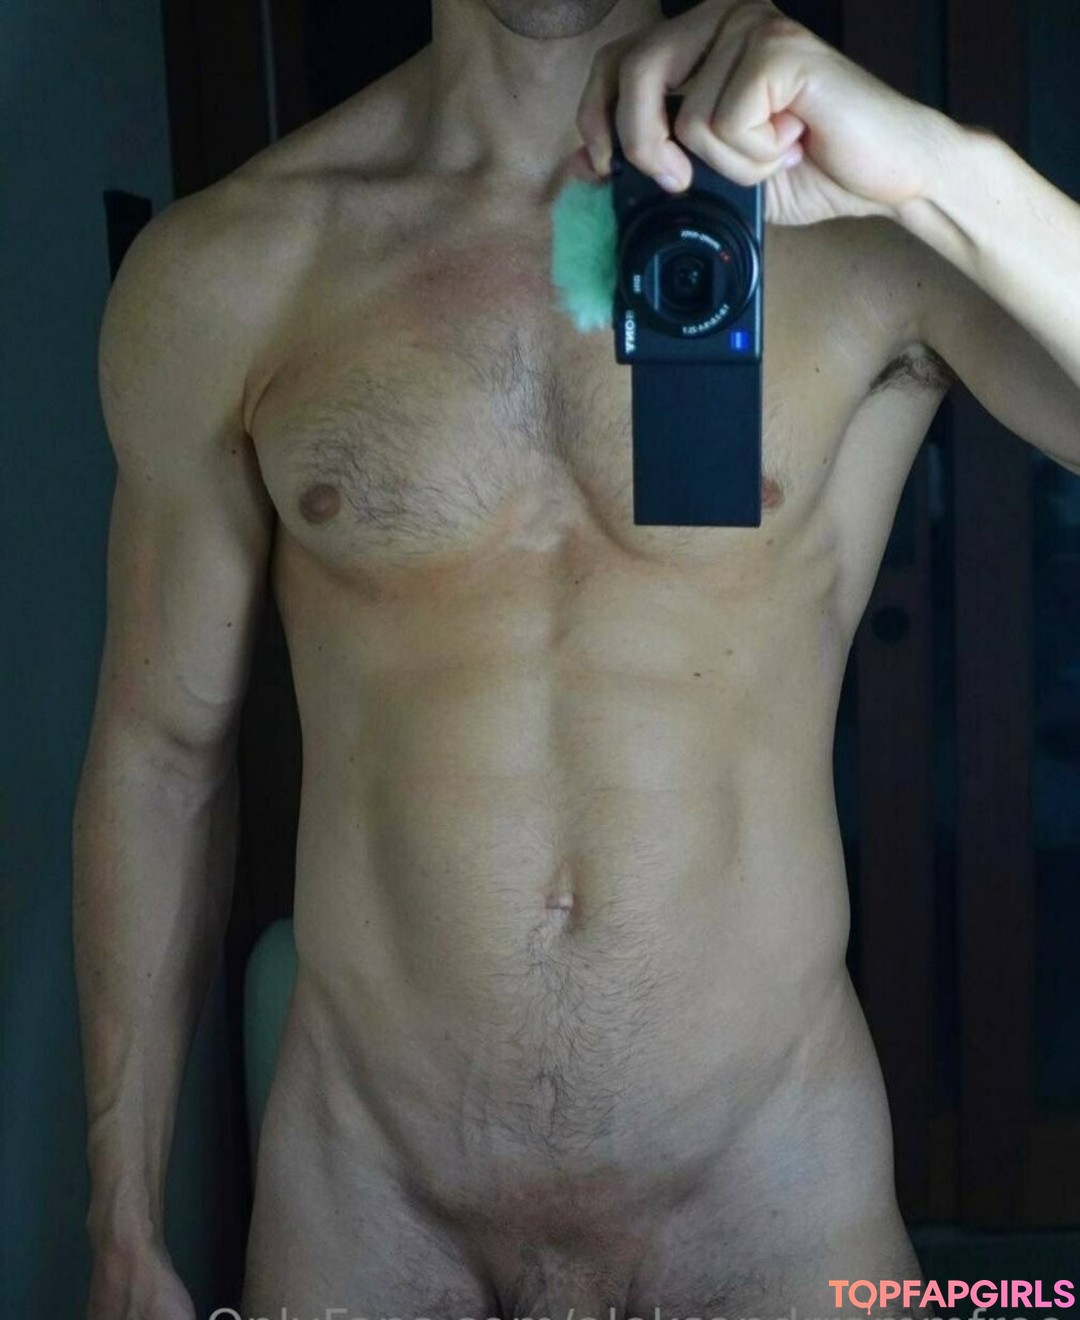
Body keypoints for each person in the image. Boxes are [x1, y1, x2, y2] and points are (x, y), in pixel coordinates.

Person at [72, 0, 1080, 1314]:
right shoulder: (232, 267)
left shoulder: (865, 225)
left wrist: (943, 171)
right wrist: (122, 1218)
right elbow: (162, 756)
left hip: (768, 1183)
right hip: (374, 1201)